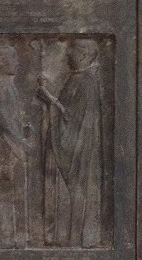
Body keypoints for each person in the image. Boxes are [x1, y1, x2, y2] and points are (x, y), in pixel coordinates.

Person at [38, 39, 105, 247]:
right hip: (73, 148)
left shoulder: (85, 82)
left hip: (76, 153)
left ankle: (72, 237)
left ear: (83, 55)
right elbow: (69, 112)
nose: (67, 55)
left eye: (72, 51)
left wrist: (49, 98)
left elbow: (72, 120)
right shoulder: (78, 79)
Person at [0, 45, 29, 249]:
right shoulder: (1, 86)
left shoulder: (1, 85)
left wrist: (21, 128)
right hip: (4, 146)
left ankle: (6, 239)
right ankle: (5, 240)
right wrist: (20, 140)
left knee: (6, 191)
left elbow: (8, 117)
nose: (17, 63)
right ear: (1, 62)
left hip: (5, 142)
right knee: (6, 190)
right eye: (13, 58)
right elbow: (1, 119)